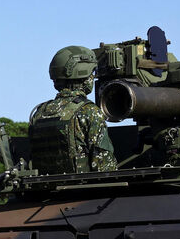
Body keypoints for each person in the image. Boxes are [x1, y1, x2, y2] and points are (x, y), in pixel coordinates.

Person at [28, 45, 117, 174]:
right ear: (84, 77)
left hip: (46, 190)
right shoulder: (89, 112)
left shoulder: (39, 113)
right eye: (91, 74)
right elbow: (103, 165)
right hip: (82, 189)